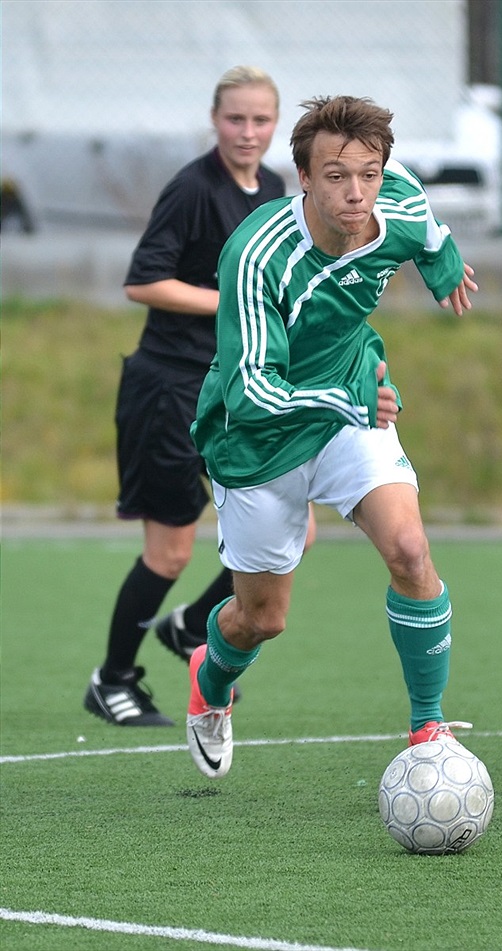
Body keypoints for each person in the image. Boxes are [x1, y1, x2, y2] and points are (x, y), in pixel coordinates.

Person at [184, 94, 479, 778]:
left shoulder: (394, 202)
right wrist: (346, 399)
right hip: (255, 439)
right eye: (337, 176)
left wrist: (442, 270)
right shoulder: (257, 253)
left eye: (369, 174)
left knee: (409, 549)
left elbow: (430, 231)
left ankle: (427, 729)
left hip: (350, 405)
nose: (355, 192)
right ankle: (211, 677)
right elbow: (252, 390)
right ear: (305, 178)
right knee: (261, 619)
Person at [84, 66, 316, 727]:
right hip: (169, 386)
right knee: (172, 551)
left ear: (276, 126)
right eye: (235, 119)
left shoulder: (272, 187)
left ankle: (192, 627)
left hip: (235, 391)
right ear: (214, 120)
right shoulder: (191, 189)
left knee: (294, 530)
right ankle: (113, 680)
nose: (248, 132)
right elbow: (143, 281)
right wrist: (231, 304)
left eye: (260, 120)